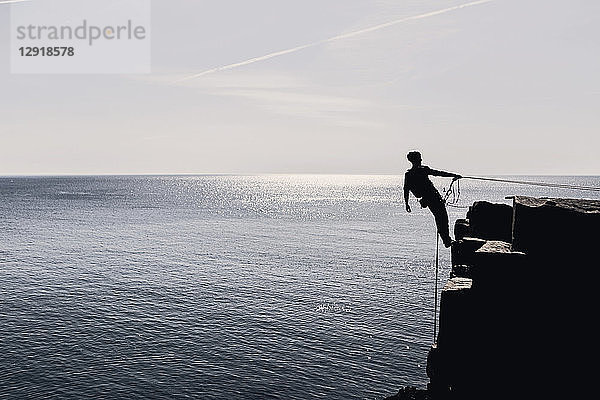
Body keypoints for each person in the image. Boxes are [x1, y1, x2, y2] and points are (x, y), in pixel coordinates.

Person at [403, 151, 461, 248]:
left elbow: (406, 189)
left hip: (427, 199)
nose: (421, 160)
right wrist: (454, 175)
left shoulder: (409, 174)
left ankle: (446, 239)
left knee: (440, 217)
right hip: (432, 197)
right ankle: (446, 240)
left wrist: (407, 203)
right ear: (416, 160)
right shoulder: (422, 170)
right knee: (442, 217)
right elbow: (439, 173)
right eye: (419, 158)